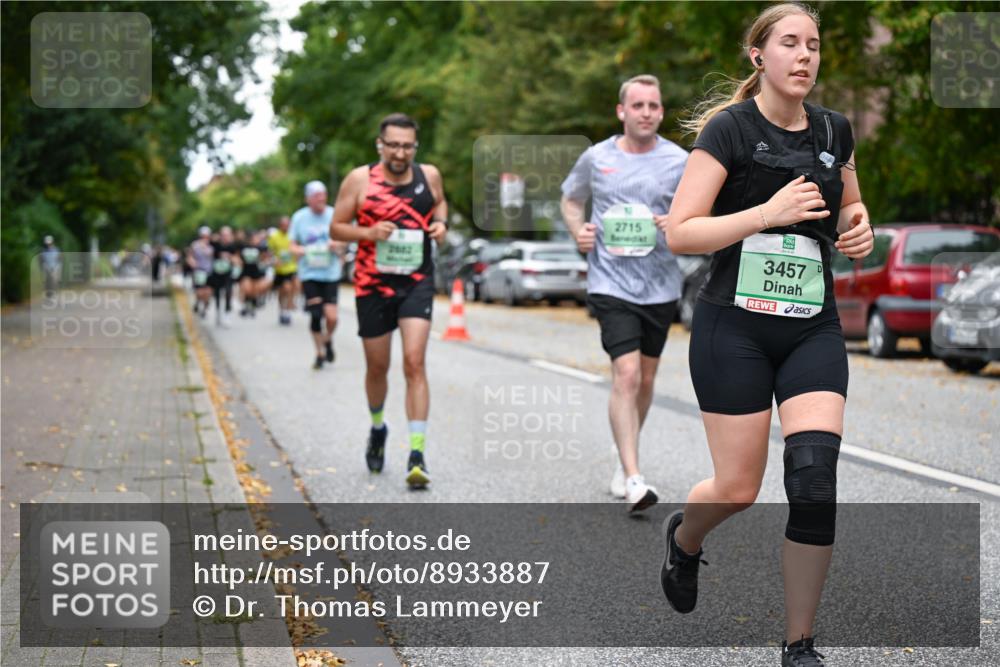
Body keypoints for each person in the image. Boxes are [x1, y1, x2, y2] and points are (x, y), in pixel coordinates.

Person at [656, 4, 874, 665]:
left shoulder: (834, 129)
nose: (805, 56)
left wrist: (859, 228)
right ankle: (685, 540)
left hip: (812, 327)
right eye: (790, 43)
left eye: (814, 45)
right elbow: (681, 231)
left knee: (813, 480)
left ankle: (799, 642)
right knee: (737, 488)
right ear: (759, 56)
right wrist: (766, 214)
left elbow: (851, 206)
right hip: (734, 327)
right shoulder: (729, 129)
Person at [560, 74, 688, 514]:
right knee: (627, 374)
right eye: (638, 105)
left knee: (646, 380)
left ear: (661, 112)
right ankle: (634, 478)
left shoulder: (679, 161)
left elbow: (699, 211)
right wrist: (578, 230)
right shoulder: (597, 157)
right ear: (622, 112)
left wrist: (676, 222)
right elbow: (571, 200)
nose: (646, 113)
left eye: (653, 106)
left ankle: (622, 455)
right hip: (610, 282)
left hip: (660, 284)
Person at [329, 113, 448, 488]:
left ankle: (417, 454)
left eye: (407, 146)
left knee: (414, 362)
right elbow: (336, 227)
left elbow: (439, 204)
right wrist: (368, 233)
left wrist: (441, 225)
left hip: (416, 282)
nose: (400, 153)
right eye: (393, 145)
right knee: (377, 367)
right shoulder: (360, 179)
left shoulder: (429, 175)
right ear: (380, 144)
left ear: (416, 146)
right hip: (372, 286)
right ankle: (378, 427)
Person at [290, 181, 344, 369]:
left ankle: (327, 340)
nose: (321, 198)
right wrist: (303, 250)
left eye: (323, 194)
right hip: (309, 273)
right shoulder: (299, 217)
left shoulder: (334, 214)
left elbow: (345, 241)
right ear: (308, 199)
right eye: (316, 195)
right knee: (315, 315)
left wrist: (337, 245)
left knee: (332, 317)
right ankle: (319, 353)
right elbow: (291, 246)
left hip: (331, 273)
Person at [269, 216, 299, 326]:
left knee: (289, 288)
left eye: (288, 225)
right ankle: (282, 310)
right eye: (284, 225)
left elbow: (298, 248)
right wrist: (274, 259)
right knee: (282, 292)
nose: (286, 227)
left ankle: (288, 310)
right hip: (279, 269)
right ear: (280, 225)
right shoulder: (274, 236)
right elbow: (270, 251)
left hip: (291, 267)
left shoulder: (293, 235)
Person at [209, 226, 240, 328]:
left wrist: (230, 257)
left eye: (227, 235)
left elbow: (237, 259)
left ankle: (227, 313)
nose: (225, 237)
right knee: (217, 293)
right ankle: (218, 312)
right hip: (217, 273)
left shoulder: (232, 246)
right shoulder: (216, 245)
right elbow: (208, 243)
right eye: (223, 235)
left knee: (228, 292)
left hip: (228, 273)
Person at [238, 229, 269, 318]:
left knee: (254, 290)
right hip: (246, 271)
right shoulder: (244, 247)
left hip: (256, 271)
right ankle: (246, 304)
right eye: (255, 238)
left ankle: (251, 306)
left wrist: (265, 261)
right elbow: (238, 256)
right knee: (247, 289)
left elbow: (265, 258)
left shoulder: (261, 248)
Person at [187, 226, 214, 318]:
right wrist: (192, 262)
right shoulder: (195, 245)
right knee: (200, 292)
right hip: (199, 271)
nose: (205, 238)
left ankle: (205, 309)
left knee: (208, 292)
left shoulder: (212, 245)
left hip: (209, 271)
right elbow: (190, 256)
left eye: (207, 236)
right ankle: (198, 302)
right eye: (203, 236)